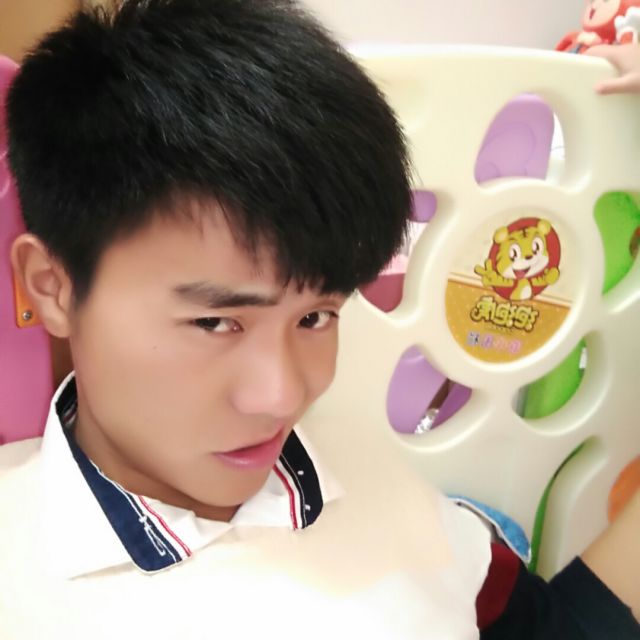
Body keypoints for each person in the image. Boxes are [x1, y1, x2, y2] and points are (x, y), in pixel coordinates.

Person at [0, 1, 638, 638]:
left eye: (316, 316)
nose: (282, 397)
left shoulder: (371, 477)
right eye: (215, 323)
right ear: (52, 288)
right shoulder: (21, 579)